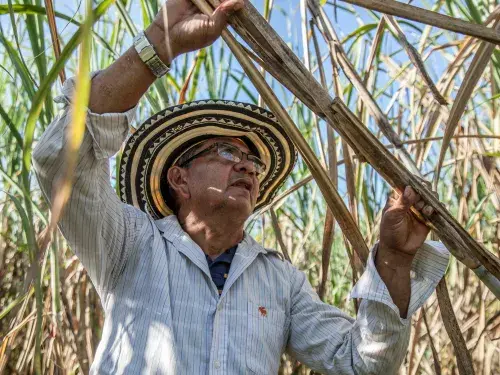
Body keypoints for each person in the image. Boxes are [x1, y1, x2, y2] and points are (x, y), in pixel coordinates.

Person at [33, 0, 449, 373]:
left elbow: (362, 364)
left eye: (252, 161)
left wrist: (394, 260)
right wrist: (160, 42)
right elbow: (60, 159)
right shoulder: (130, 243)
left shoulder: (279, 280)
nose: (248, 168)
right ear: (179, 178)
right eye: (227, 154)